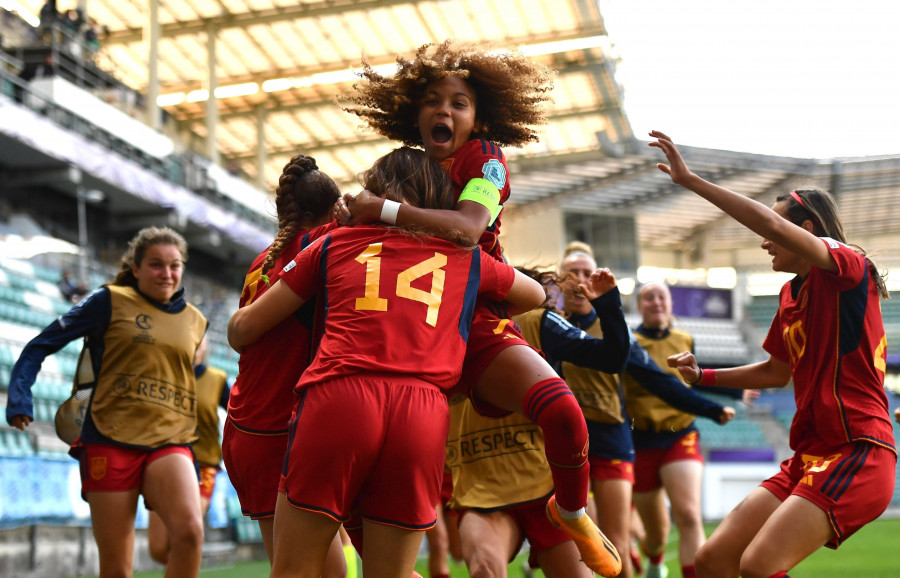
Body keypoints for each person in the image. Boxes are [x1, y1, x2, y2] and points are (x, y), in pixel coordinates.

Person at [337, 41, 621, 577]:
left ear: (478, 118)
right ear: (412, 113)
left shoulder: (484, 159)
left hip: (473, 318)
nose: (444, 110)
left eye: (459, 102)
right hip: (405, 331)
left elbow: (469, 229)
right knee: (363, 459)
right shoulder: (405, 169)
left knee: (561, 411)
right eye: (432, 100)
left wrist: (385, 210)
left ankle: (572, 509)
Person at [228, 146, 546, 578]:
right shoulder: (465, 258)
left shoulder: (332, 242)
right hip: (422, 412)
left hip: (334, 400)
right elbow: (536, 295)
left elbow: (242, 331)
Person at [651, 131, 895, 578]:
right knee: (712, 561)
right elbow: (776, 371)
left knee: (759, 565)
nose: (764, 241)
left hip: (858, 450)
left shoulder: (847, 266)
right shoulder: (788, 294)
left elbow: (772, 226)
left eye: (774, 231)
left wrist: (693, 182)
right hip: (809, 455)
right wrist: (704, 376)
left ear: (805, 231)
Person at [6, 226, 208, 578]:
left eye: (174, 265)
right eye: (156, 265)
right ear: (136, 268)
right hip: (110, 439)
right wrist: (20, 395)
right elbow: (41, 344)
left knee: (190, 534)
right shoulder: (107, 301)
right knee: (116, 568)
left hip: (170, 439)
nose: (167, 273)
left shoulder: (196, 321)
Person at [556, 244, 736, 578]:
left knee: (628, 540)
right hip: (567, 444)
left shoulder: (621, 333)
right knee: (577, 542)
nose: (579, 280)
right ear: (557, 280)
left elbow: (665, 383)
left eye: (586, 272)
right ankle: (650, 559)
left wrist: (714, 408)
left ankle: (652, 564)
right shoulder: (544, 323)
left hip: (618, 439)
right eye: (572, 273)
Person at [447, 264, 629, 578]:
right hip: (481, 488)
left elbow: (612, 358)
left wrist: (608, 307)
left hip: (548, 492)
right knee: (484, 572)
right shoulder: (434, 324)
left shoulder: (535, 320)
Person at [221, 154, 347, 575]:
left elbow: (245, 341)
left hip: (252, 425)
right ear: (332, 212)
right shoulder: (319, 244)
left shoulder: (262, 262)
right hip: (275, 429)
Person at [621, 281, 746, 578]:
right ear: (639, 307)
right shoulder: (627, 342)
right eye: (648, 298)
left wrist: (725, 400)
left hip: (681, 434)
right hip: (640, 441)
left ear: (670, 304)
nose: (655, 302)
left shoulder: (685, 338)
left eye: (661, 296)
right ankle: (654, 561)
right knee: (655, 534)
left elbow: (691, 384)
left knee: (688, 514)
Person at [147, 334, 230, 566]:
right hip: (164, 462)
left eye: (199, 339)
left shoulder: (217, 379)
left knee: (184, 535)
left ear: (205, 345)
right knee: (158, 548)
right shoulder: (162, 375)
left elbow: (241, 412)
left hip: (203, 467)